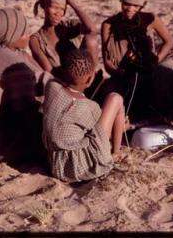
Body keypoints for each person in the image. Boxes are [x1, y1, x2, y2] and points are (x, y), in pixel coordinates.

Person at [0, 8, 51, 164]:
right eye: (24, 32)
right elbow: (27, 112)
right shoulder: (13, 64)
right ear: (11, 36)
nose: (28, 35)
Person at [42, 49, 128, 183]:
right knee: (115, 98)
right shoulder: (89, 106)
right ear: (89, 79)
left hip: (57, 164)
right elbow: (102, 135)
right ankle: (116, 152)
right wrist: (121, 126)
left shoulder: (51, 87)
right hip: (80, 166)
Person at [100, 0, 173, 118]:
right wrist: (122, 75)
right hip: (121, 77)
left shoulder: (150, 19)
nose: (130, 9)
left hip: (148, 73)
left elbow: (168, 42)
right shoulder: (108, 25)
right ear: (121, 2)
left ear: (143, 5)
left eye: (136, 5)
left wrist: (155, 61)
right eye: (126, 4)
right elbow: (107, 63)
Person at [29, 0, 99, 79]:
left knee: (91, 41)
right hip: (62, 84)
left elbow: (92, 30)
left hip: (85, 79)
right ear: (44, 6)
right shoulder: (36, 40)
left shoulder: (67, 27)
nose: (58, 13)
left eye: (62, 9)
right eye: (54, 7)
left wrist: (72, 2)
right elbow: (51, 73)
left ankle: (90, 82)